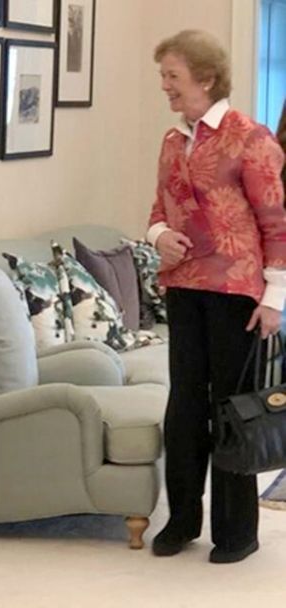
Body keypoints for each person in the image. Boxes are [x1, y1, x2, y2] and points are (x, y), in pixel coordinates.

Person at [147, 30, 286, 564]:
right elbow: (157, 210)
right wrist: (160, 236)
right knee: (184, 406)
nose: (166, 87)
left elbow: (277, 223)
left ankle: (236, 532)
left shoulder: (251, 138)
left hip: (238, 294)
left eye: (172, 77)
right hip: (184, 287)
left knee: (231, 410)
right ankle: (182, 519)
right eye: (164, 77)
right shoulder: (171, 141)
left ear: (205, 78)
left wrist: (275, 298)